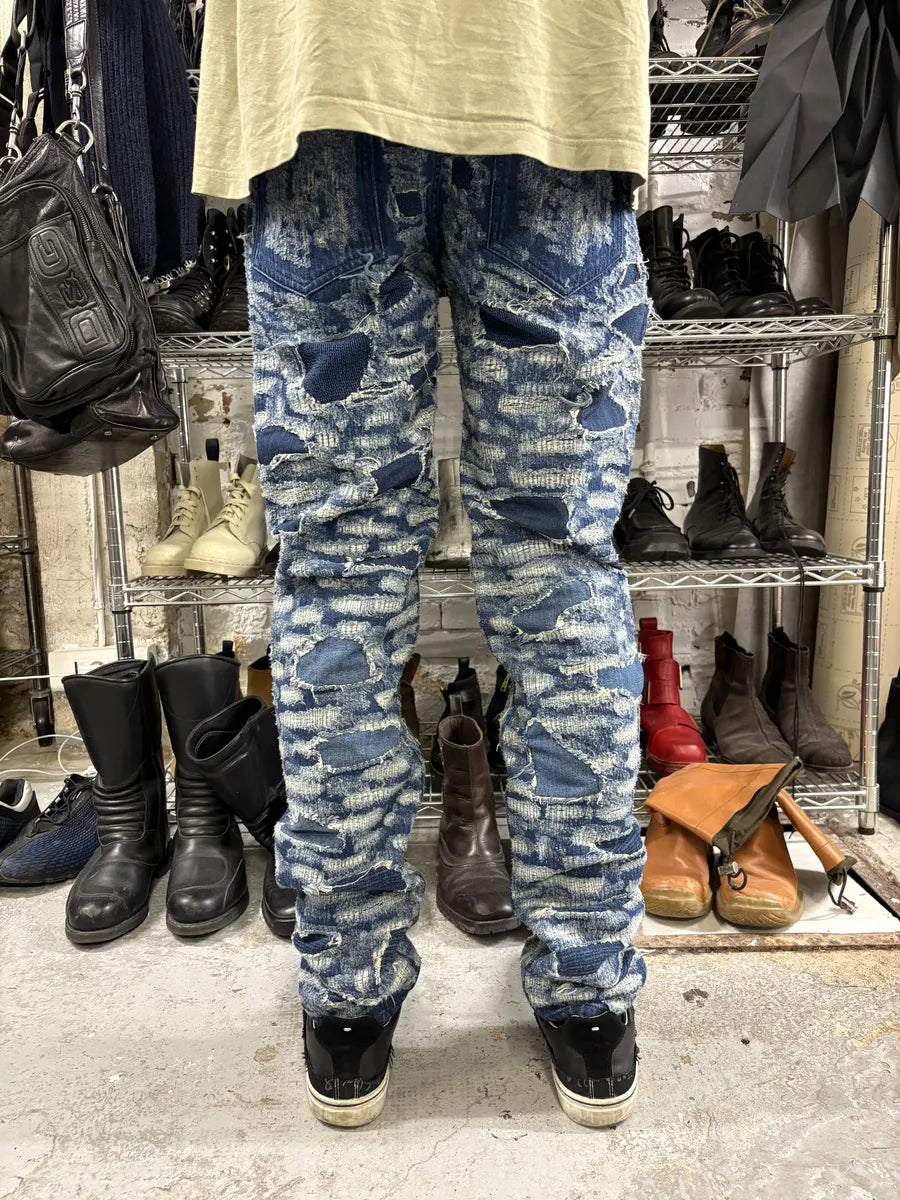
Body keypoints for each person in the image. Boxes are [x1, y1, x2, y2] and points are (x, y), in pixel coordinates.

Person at [194, 0, 650, 1129]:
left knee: (338, 577)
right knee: (560, 570)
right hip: (546, 67)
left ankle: (349, 1000)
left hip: (324, 67)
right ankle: (589, 991)